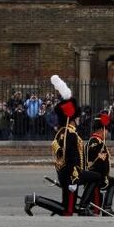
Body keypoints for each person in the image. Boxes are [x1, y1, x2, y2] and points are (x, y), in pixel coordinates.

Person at [24, 76, 101, 216]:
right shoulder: (69, 134)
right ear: (71, 119)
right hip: (72, 174)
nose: (79, 120)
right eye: (77, 118)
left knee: (66, 208)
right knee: (69, 209)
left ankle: (35, 199)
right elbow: (69, 156)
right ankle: (84, 207)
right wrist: (75, 175)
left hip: (68, 174)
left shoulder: (62, 132)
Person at [85, 111, 114, 216]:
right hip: (96, 175)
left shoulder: (96, 141)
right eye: (106, 129)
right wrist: (105, 176)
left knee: (112, 181)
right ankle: (107, 208)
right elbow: (99, 162)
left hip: (97, 174)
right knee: (113, 182)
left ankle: (106, 207)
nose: (107, 132)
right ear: (101, 129)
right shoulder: (96, 142)